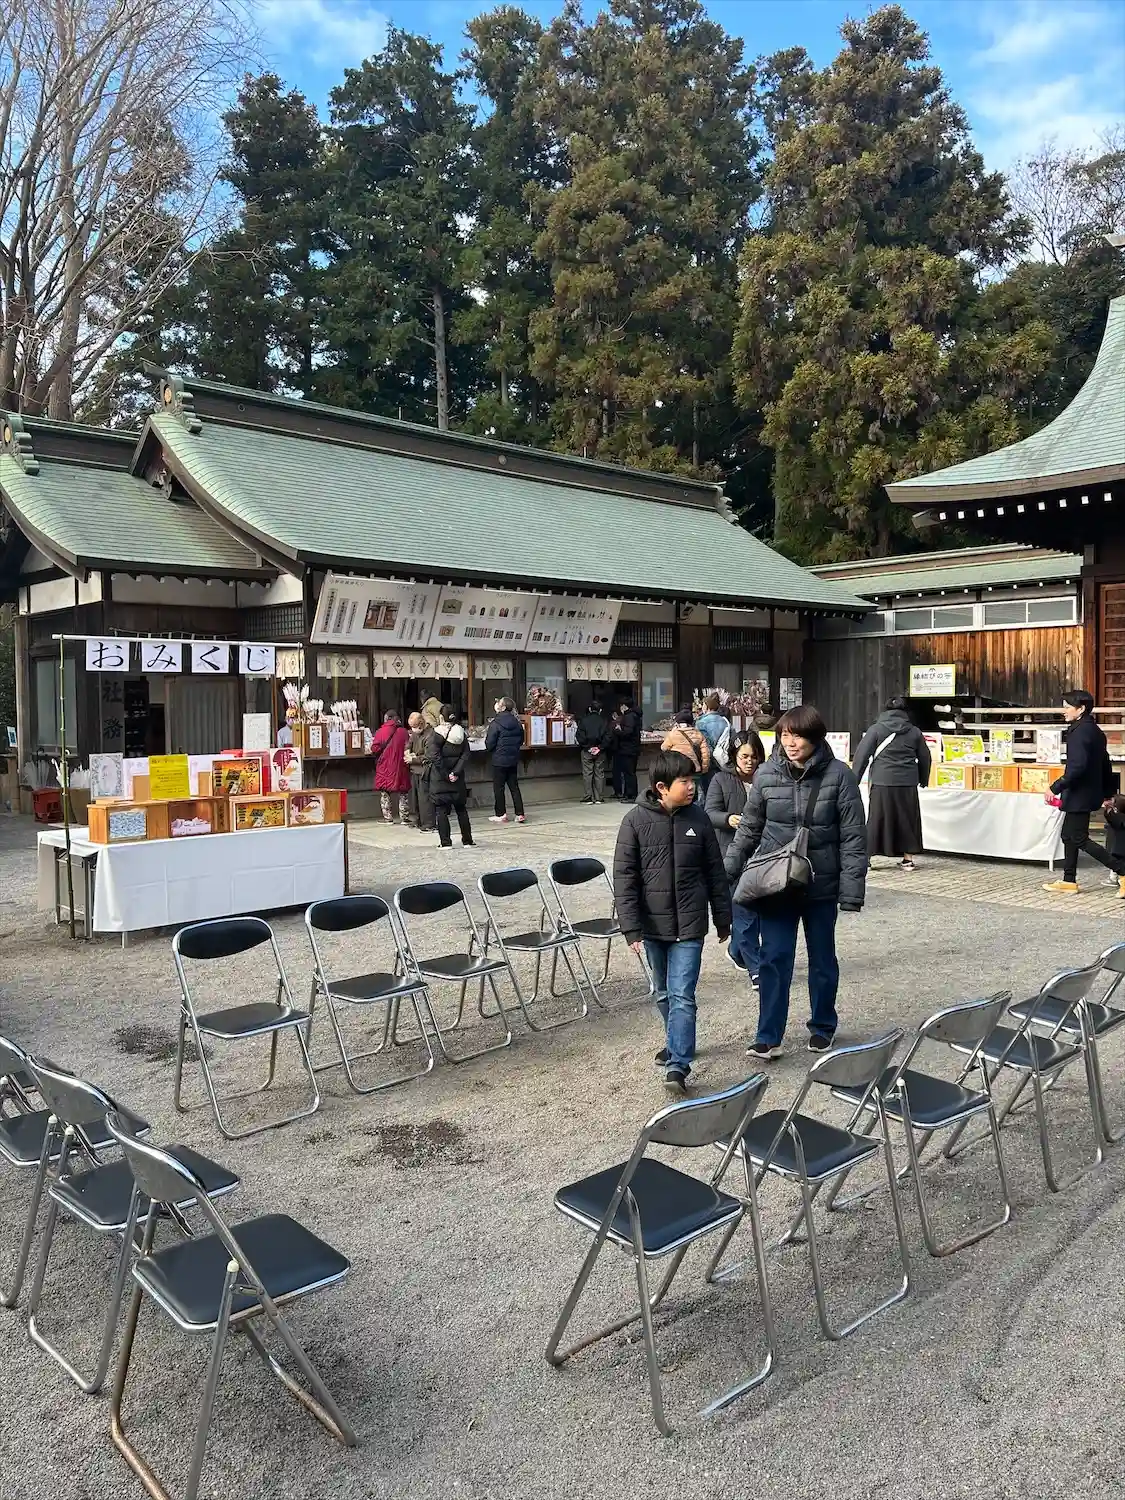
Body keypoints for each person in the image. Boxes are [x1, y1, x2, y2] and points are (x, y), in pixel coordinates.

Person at [725, 704, 867, 1060]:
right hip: (776, 883)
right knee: (773, 957)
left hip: (820, 883)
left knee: (822, 958)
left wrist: (851, 892)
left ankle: (822, 1027)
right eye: (785, 735)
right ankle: (768, 1035)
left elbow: (853, 837)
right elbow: (749, 829)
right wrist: (727, 871)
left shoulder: (840, 776)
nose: (790, 742)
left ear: (815, 737)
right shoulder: (766, 774)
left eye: (798, 736)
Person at [613, 750, 731, 1094]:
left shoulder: (700, 819)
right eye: (685, 781)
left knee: (682, 994)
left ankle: (678, 1064)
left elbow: (715, 872)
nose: (692, 787)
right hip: (653, 927)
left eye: (693, 780)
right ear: (662, 787)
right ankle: (677, 1039)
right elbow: (625, 879)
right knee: (663, 992)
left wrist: (723, 918)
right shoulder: (634, 822)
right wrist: (631, 927)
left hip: (690, 925)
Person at [1043, 689, 1122, 894]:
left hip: (1079, 793)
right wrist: (1108, 793)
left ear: (1081, 709)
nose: (1064, 711)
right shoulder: (1094, 730)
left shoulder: (1079, 732)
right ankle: (1069, 880)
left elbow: (1077, 767)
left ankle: (1123, 871)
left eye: (1067, 707)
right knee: (1068, 836)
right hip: (1085, 793)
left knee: (1078, 838)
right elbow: (1105, 763)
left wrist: (1055, 787)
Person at [705, 729, 766, 985]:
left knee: (758, 912)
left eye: (753, 756)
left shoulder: (767, 778)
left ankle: (736, 950)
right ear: (734, 756)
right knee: (743, 912)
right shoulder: (721, 779)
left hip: (762, 855)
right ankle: (756, 968)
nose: (749, 761)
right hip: (731, 854)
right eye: (744, 756)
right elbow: (709, 812)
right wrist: (728, 818)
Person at [853, 695, 932, 871]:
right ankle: (908, 860)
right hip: (907, 783)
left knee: (876, 819)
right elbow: (925, 757)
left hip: (882, 781)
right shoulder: (914, 731)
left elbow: (861, 756)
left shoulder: (876, 730)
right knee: (908, 819)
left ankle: (867, 858)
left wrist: (854, 780)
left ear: (886, 710)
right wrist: (923, 779)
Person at [426, 704, 474, 849]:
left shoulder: (436, 733)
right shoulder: (461, 732)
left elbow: (434, 756)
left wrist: (446, 775)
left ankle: (446, 842)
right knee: (461, 809)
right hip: (457, 779)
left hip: (440, 779)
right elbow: (466, 754)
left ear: (441, 717)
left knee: (441, 810)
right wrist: (456, 772)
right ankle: (468, 840)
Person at [485, 696, 526, 824]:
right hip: (513, 759)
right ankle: (520, 813)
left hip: (499, 760)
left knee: (499, 788)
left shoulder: (495, 723)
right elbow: (521, 740)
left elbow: (489, 743)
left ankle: (501, 814)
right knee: (514, 787)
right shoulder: (517, 722)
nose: (496, 704)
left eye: (499, 702)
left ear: (502, 707)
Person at [369, 711, 411, 824]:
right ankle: (404, 817)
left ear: (387, 718)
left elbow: (375, 749)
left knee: (385, 792)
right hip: (401, 765)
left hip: (385, 766)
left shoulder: (381, 731)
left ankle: (388, 818)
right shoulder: (404, 732)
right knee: (403, 792)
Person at [575, 699, 612, 804]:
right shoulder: (604, 721)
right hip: (600, 752)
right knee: (599, 773)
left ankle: (588, 797)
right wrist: (600, 747)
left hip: (587, 751)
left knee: (587, 774)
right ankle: (599, 797)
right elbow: (608, 736)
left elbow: (579, 736)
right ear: (600, 710)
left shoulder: (583, 721)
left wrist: (588, 747)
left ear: (590, 709)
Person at [695, 693, 731, 796]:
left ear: (707, 706)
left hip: (708, 764)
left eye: (703, 704)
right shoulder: (725, 722)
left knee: (707, 793)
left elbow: (703, 746)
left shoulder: (701, 723)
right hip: (723, 761)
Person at [661, 710, 711, 782]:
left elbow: (664, 748)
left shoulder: (673, 734)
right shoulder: (698, 734)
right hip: (694, 768)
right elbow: (705, 754)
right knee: (694, 786)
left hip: (677, 767)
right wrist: (704, 769)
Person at [403, 712, 433, 832]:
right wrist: (407, 751)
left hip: (424, 770)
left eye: (414, 727)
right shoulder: (415, 734)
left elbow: (429, 756)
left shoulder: (430, 735)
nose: (413, 729)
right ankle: (416, 820)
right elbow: (409, 743)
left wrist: (414, 759)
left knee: (424, 799)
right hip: (414, 770)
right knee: (414, 798)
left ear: (421, 724)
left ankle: (428, 824)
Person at [612, 697, 642, 801]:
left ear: (624, 706)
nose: (620, 708)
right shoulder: (634, 716)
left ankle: (631, 795)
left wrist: (618, 730)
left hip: (628, 749)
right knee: (629, 772)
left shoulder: (629, 717)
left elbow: (627, 732)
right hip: (632, 748)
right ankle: (628, 794)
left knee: (629, 773)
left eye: (621, 705)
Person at [1104, 795, 1125, 900]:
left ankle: (1123, 889)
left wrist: (1108, 810)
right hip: (1120, 849)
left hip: (1120, 850)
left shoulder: (1119, 818)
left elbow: (1112, 818)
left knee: (1122, 869)